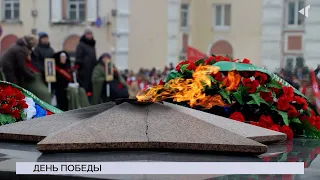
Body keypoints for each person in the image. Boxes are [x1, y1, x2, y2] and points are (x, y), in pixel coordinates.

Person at [75, 27, 97, 95]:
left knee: (91, 87)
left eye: (90, 34)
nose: (89, 35)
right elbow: (78, 57)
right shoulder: (81, 45)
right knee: (84, 87)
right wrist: (79, 67)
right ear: (85, 35)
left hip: (92, 69)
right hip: (84, 71)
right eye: (88, 34)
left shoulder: (92, 45)